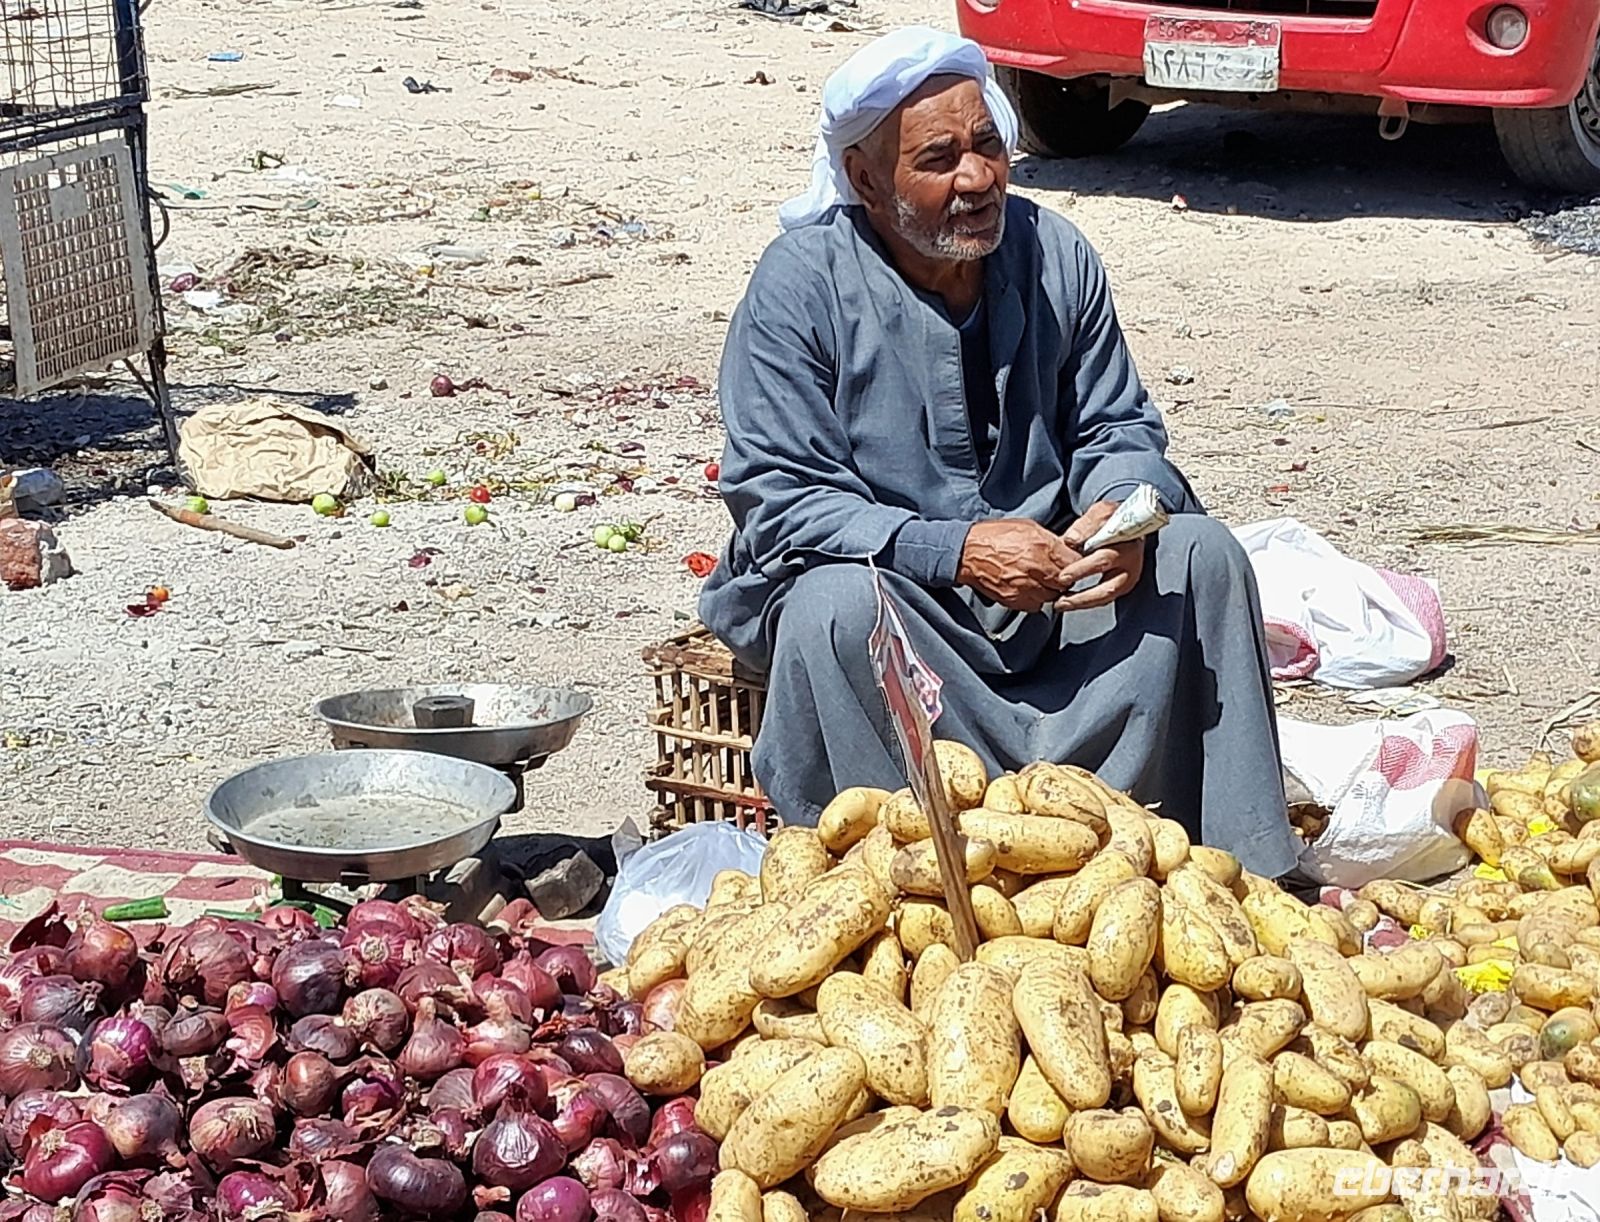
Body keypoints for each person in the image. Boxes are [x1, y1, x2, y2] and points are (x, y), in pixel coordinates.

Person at [699, 26, 1300, 877]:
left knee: (1200, 556)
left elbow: (1120, 427)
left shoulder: (1054, 255)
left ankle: (1211, 873)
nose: (977, 178)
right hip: (908, 605)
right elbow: (783, 500)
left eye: (988, 144)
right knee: (831, 610)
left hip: (1052, 592)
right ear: (867, 179)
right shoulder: (801, 287)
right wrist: (959, 552)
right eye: (939, 158)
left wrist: (1127, 511)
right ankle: (905, 890)